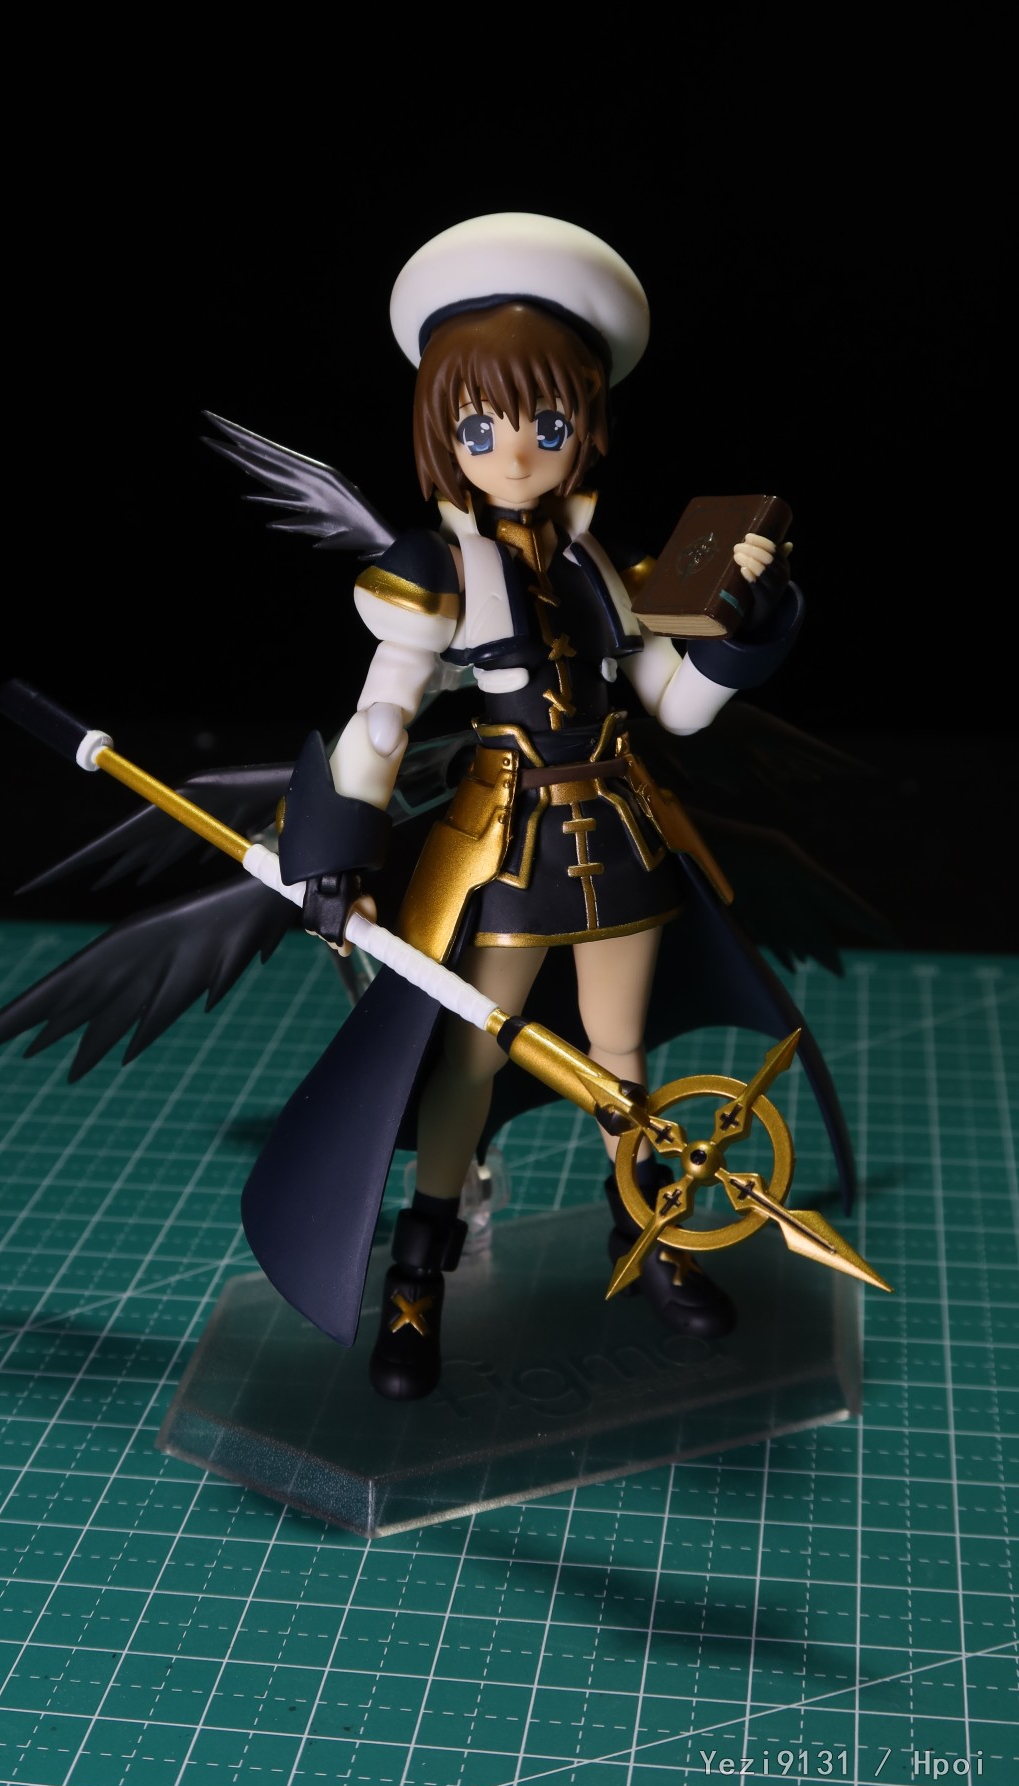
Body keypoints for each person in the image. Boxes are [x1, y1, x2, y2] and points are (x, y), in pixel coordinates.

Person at [266, 214, 804, 1399]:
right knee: (468, 1056)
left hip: (618, 831)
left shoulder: (599, 565)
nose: (514, 453)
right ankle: (419, 1276)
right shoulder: (436, 570)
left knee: (621, 1057)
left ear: (584, 427)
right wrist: (336, 851)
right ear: (444, 434)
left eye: (546, 425)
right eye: (481, 427)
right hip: (504, 849)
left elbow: (672, 705)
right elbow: (382, 716)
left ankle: (648, 1237)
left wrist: (745, 628)